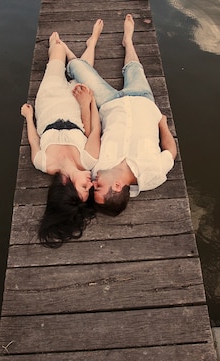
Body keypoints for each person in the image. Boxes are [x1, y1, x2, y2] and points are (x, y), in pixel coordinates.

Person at [63, 15, 177, 216]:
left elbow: (92, 135)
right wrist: (163, 124)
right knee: (134, 68)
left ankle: (91, 45)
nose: (93, 183)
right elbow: (171, 152)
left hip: (109, 103)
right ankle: (128, 41)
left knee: (75, 68)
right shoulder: (153, 174)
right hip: (143, 100)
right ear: (117, 186)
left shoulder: (96, 169)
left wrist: (87, 103)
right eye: (98, 187)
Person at [21, 32, 101, 247]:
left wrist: (29, 117)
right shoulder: (89, 161)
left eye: (85, 188)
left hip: (49, 97)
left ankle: (56, 51)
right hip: (76, 106)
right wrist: (88, 102)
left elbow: (34, 141)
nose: (91, 184)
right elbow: (93, 130)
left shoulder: (43, 163)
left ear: (67, 185)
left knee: (56, 46)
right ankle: (91, 42)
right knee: (83, 74)